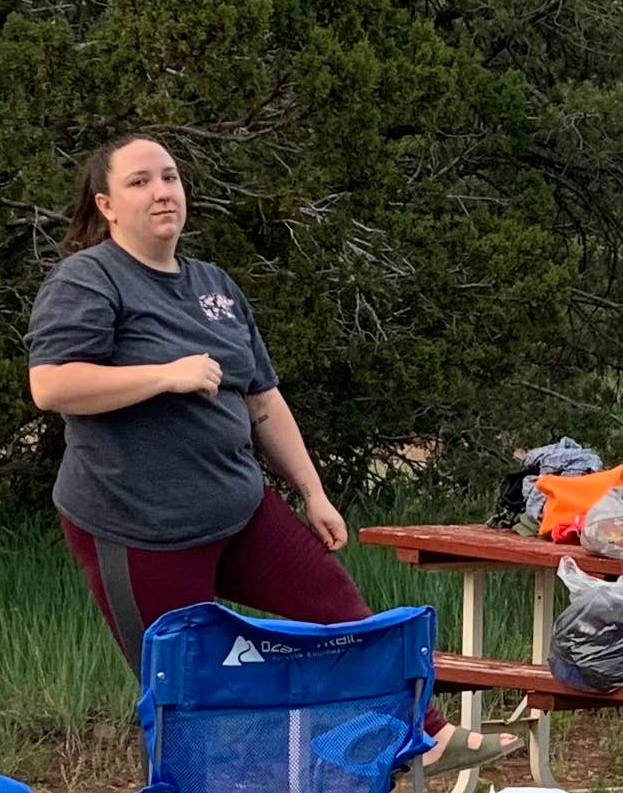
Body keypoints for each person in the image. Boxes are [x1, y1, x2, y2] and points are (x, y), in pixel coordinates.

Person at [27, 136, 373, 660]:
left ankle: (428, 737)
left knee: (344, 617)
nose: (162, 192)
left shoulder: (214, 285)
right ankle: (213, 746)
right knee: (186, 685)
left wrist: (313, 492)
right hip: (140, 526)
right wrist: (165, 376)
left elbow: (263, 401)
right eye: (139, 183)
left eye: (169, 178)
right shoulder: (89, 279)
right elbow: (52, 385)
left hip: (238, 508)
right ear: (107, 206)